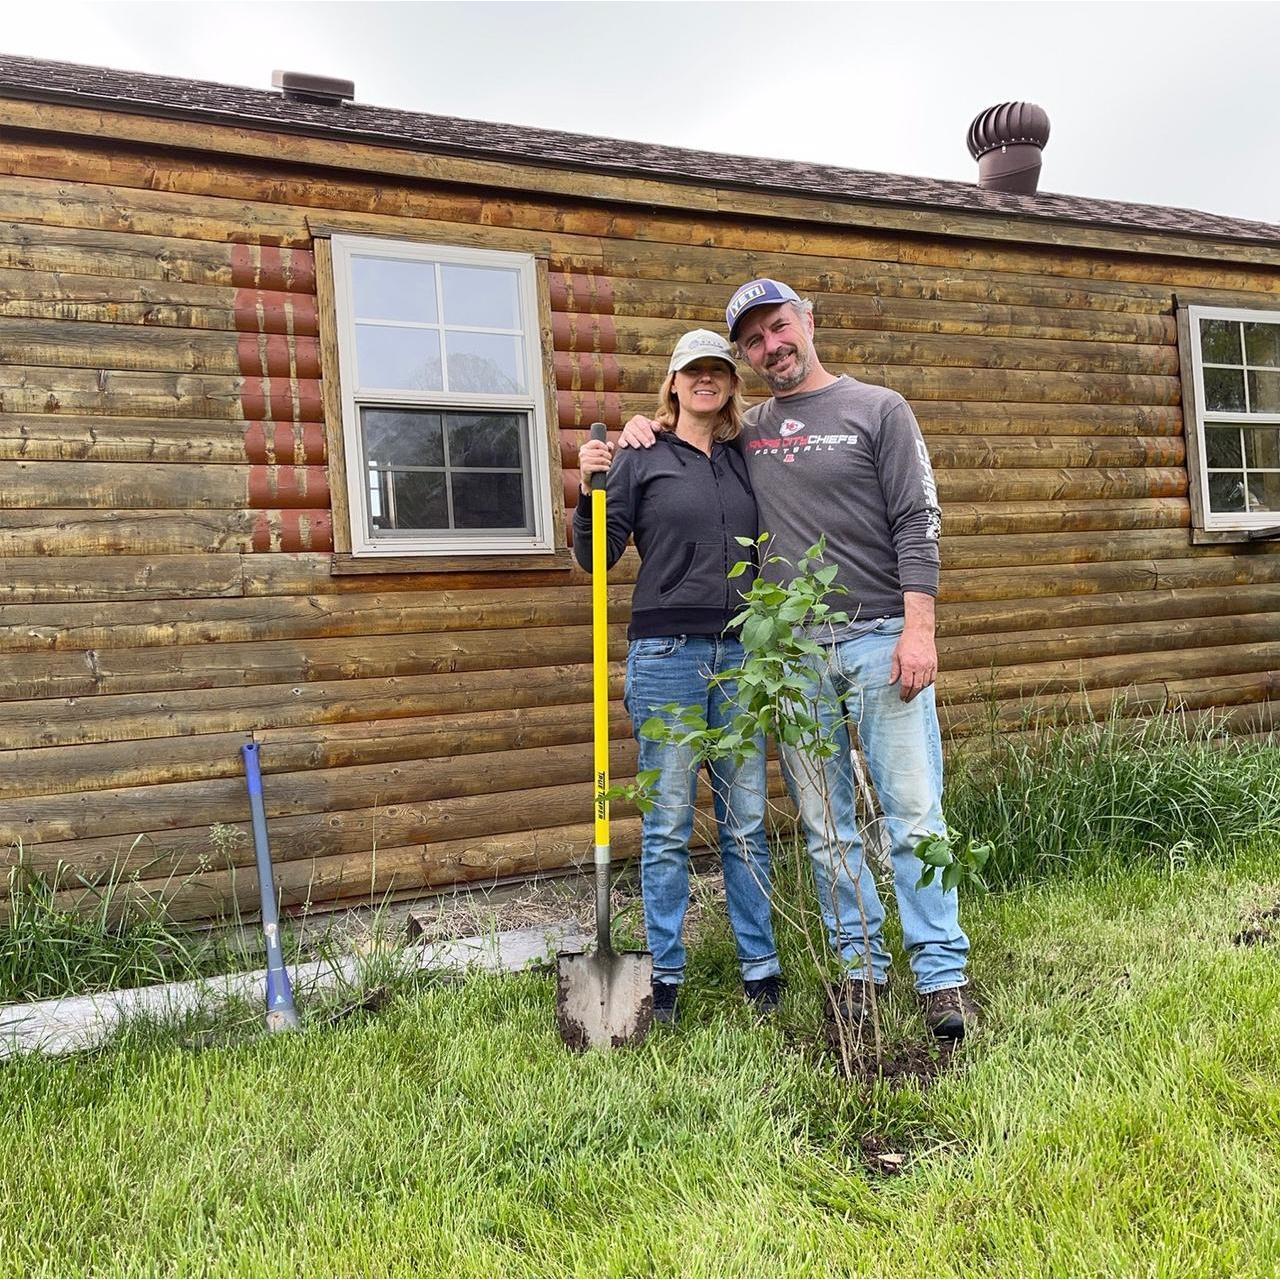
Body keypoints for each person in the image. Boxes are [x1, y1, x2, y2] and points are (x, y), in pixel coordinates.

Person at [618, 281, 975, 1040]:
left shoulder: (879, 408)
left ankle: (943, 975)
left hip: (882, 638)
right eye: (753, 340)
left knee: (913, 813)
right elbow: (686, 445)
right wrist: (634, 433)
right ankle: (860, 971)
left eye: (779, 327)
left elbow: (918, 519)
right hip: (795, 656)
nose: (771, 345)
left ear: (808, 323)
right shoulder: (748, 435)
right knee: (825, 824)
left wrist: (920, 630)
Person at [574, 328, 783, 1027]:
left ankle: (761, 970)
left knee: (746, 823)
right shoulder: (639, 455)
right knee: (666, 828)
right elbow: (596, 558)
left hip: (741, 659)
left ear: (729, 384)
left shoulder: (744, 457)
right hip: (668, 658)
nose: (705, 380)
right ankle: (665, 977)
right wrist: (587, 491)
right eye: (692, 371)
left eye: (717, 371)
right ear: (672, 382)